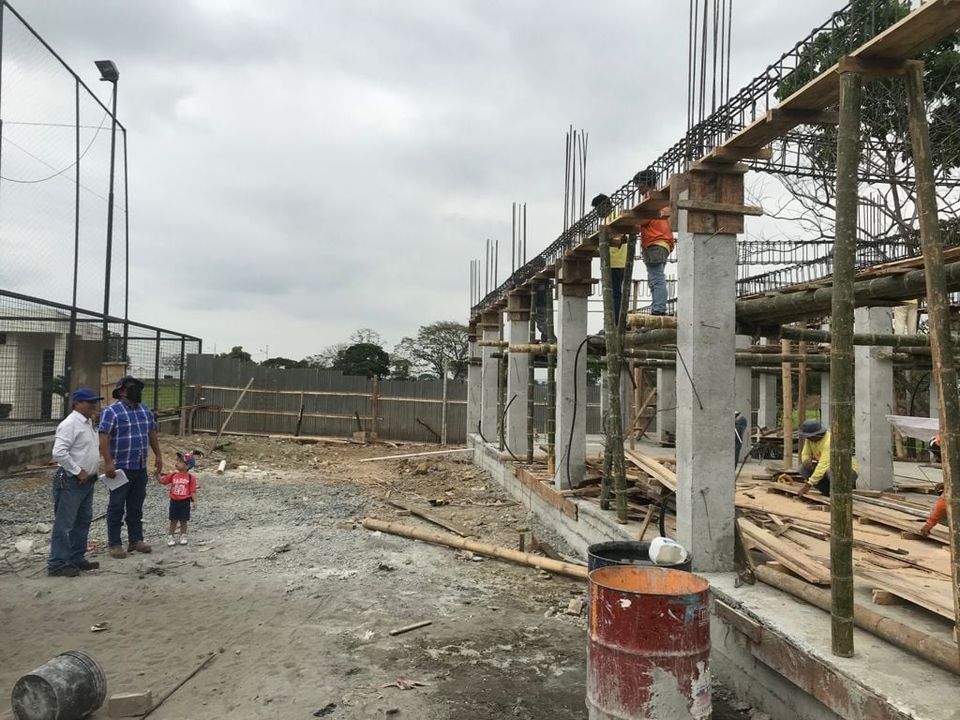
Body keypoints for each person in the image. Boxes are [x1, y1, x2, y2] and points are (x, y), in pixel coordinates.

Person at [98, 375, 163, 558]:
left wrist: (158, 455)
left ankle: (136, 540)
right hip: (121, 468)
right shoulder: (112, 412)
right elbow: (104, 437)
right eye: (132, 387)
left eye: (138, 387)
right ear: (122, 392)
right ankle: (115, 543)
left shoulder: (144, 409)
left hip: (140, 466)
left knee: (136, 506)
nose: (137, 390)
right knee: (117, 505)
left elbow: (151, 432)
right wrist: (108, 462)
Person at [47, 388, 103, 577]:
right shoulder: (70, 424)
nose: (93, 405)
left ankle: (76, 557)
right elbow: (59, 452)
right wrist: (78, 471)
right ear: (77, 403)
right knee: (65, 524)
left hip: (86, 481)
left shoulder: (88, 423)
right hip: (72, 481)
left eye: (94, 401)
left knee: (82, 520)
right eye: (89, 402)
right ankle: (57, 563)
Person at [633, 170, 675, 316]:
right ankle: (657, 306)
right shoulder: (661, 198)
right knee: (654, 278)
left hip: (655, 242)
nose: (639, 189)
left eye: (640, 185)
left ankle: (658, 309)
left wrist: (631, 221)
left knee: (656, 278)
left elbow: (643, 220)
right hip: (662, 243)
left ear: (647, 184)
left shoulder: (650, 200)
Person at [795, 419, 858, 498]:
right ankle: (827, 492)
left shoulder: (829, 441)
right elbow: (805, 453)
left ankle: (840, 494)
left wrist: (808, 485)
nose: (807, 438)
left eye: (808, 436)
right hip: (827, 468)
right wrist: (806, 460)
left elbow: (823, 466)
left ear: (816, 435)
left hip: (848, 472)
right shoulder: (810, 440)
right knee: (803, 469)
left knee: (830, 471)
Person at [159, 452, 198, 546]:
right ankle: (171, 536)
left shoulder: (190, 478)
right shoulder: (173, 475)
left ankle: (183, 535)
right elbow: (163, 481)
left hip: (185, 502)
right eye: (177, 461)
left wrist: (194, 501)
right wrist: (157, 474)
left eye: (180, 462)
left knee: (184, 520)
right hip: (174, 501)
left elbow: (192, 491)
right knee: (173, 520)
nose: (177, 463)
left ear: (187, 466)